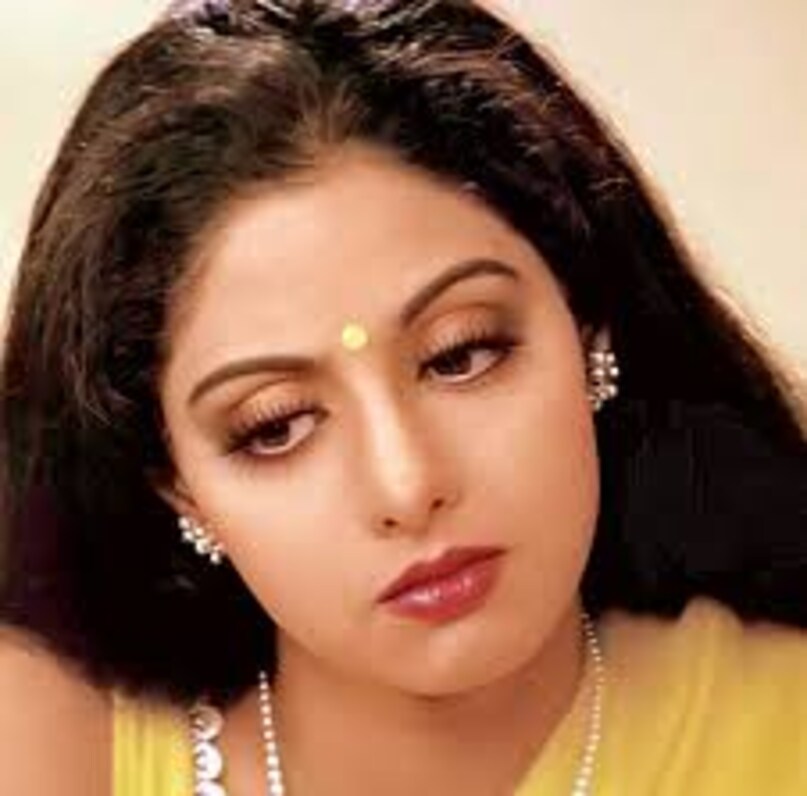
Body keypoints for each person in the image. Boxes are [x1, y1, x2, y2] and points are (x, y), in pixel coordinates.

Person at [0, 1, 805, 794]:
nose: (408, 485)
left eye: (461, 355)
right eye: (276, 426)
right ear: (176, 484)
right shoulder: (51, 739)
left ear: (588, 323)